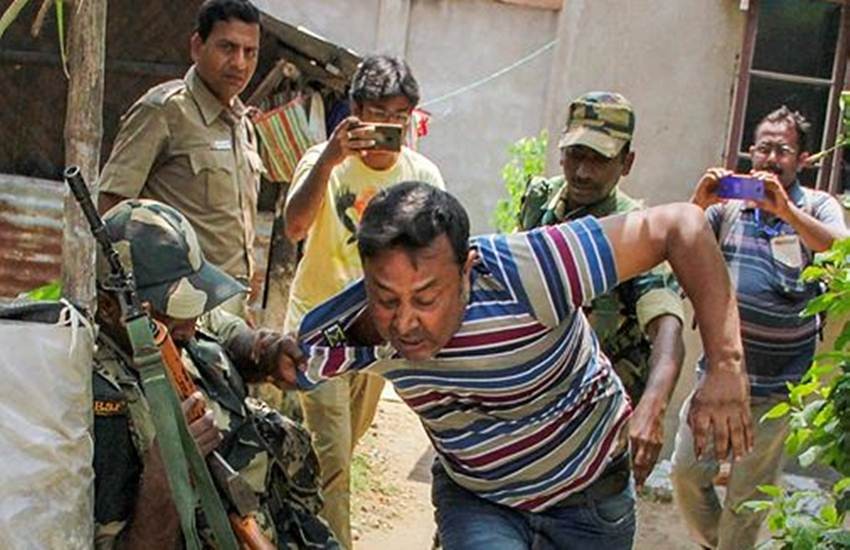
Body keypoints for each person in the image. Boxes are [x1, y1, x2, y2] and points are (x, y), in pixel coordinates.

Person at [275, 181, 753, 549]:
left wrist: (726, 366)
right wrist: (251, 349)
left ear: (466, 270)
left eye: (425, 298)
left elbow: (682, 225)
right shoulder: (348, 330)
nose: (405, 322)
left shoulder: (528, 271)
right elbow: (281, 362)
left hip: (591, 500)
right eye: (386, 299)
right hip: (480, 501)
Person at [92, 199, 337, 549]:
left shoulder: (178, 326)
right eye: (175, 309)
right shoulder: (104, 400)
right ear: (108, 308)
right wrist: (169, 476)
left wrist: (268, 353)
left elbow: (228, 335)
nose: (189, 327)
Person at [281, 54, 445, 548]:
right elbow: (294, 227)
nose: (388, 127)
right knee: (332, 459)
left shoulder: (422, 176)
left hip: (377, 339)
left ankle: (297, 529)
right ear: (355, 111)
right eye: (377, 114)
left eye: (398, 117)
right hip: (319, 332)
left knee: (338, 455)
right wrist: (330, 160)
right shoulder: (323, 163)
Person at [671, 106, 849, 550]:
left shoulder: (816, 206)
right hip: (717, 380)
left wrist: (786, 211)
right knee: (685, 473)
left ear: (802, 159)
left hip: (778, 389)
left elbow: (840, 248)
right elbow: (679, 246)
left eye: (782, 150)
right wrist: (699, 202)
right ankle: (721, 544)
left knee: (746, 502)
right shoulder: (728, 209)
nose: (771, 159)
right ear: (751, 152)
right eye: (763, 148)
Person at [519, 91, 685, 487]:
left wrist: (653, 408)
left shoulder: (636, 231)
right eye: (575, 155)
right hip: (535, 402)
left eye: (598, 159)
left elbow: (667, 327)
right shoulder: (541, 203)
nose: (582, 172)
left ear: (627, 163)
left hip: (600, 418)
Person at [97, 0, 263, 319]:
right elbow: (113, 205)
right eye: (227, 47)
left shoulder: (242, 124)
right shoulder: (165, 111)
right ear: (197, 46)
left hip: (229, 305)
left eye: (250, 52)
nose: (239, 63)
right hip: (175, 307)